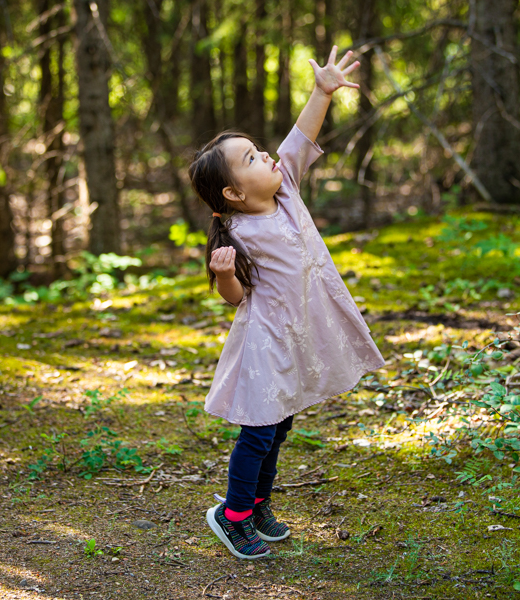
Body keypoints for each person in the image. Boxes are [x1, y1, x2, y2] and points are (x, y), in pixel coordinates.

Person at [187, 46, 385, 560]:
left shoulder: (287, 189)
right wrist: (225, 274)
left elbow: (300, 138)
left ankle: (257, 504)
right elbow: (237, 299)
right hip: (265, 345)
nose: (267, 157)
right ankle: (231, 516)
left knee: (280, 426)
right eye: (252, 158)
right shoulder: (235, 232)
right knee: (258, 433)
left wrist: (322, 91)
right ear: (232, 192)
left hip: (297, 336)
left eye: (259, 150)